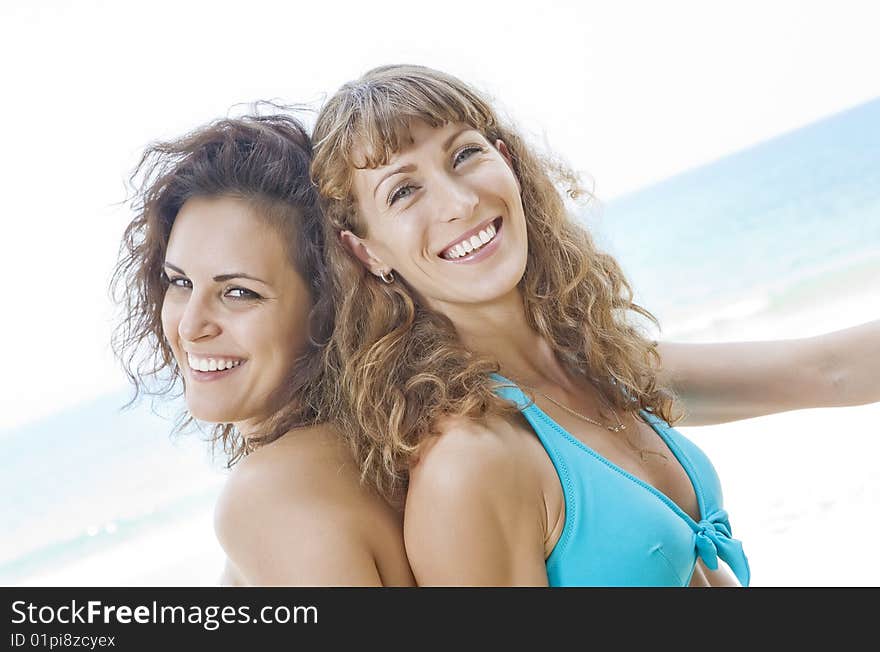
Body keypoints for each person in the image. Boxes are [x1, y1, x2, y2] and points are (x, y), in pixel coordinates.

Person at [309, 64, 880, 586]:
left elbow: (826, 372)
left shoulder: (603, 366)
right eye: (404, 191)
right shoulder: (471, 462)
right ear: (365, 252)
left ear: (505, 160)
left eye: (464, 155)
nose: (459, 201)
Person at [110, 108, 415, 586]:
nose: (191, 326)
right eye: (180, 282)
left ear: (328, 305)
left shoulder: (269, 497)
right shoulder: (376, 448)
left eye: (239, 293)